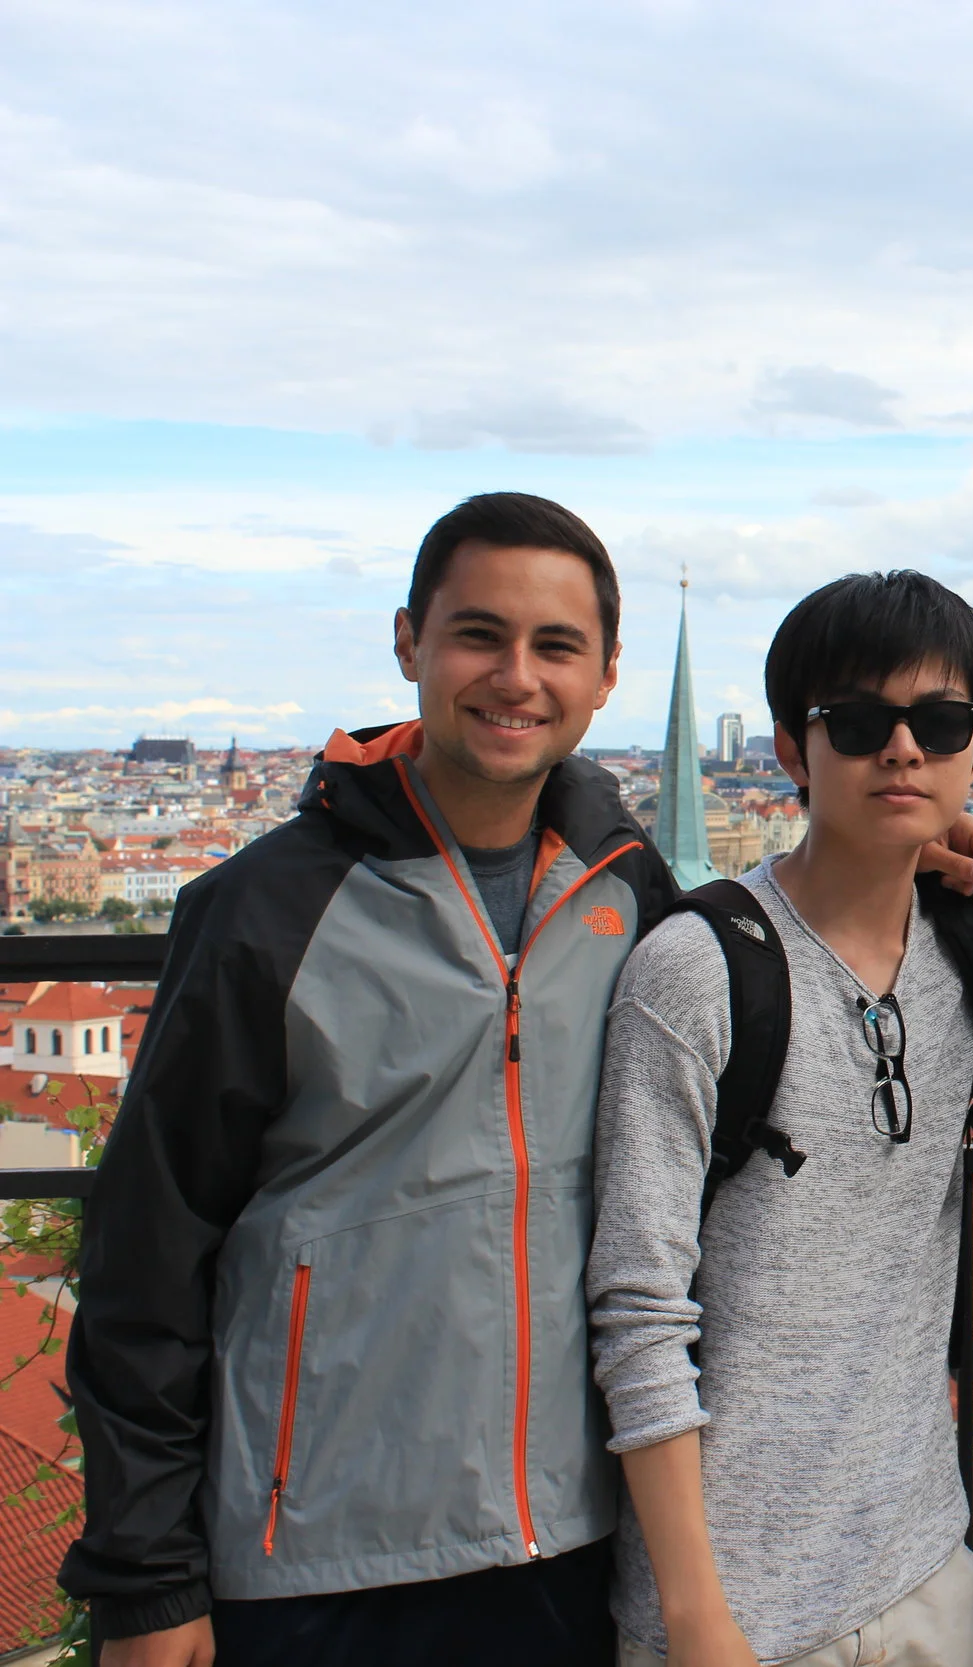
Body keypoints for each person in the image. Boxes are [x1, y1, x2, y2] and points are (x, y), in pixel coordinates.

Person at [61, 493, 679, 1667]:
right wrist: (145, 1578)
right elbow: (146, 1252)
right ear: (410, 642)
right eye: (477, 634)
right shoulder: (263, 910)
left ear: (604, 676)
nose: (515, 675)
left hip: (567, 1539)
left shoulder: (631, 891)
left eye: (556, 645)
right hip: (315, 1556)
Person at [587, 571, 973, 1667]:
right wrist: (697, 1617)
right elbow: (638, 1306)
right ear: (793, 751)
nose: (902, 750)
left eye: (940, 724)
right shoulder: (694, 973)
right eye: (858, 721)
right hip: (737, 1605)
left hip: (921, 1561)